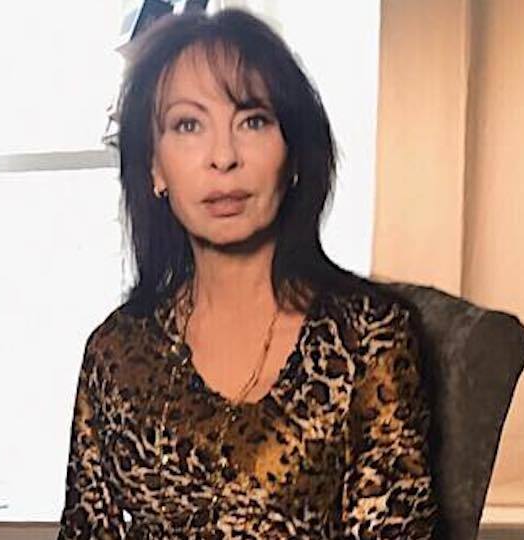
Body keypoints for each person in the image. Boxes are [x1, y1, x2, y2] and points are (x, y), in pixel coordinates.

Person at [58, 8, 437, 539]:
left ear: (294, 154)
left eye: (252, 121)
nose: (223, 157)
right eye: (188, 125)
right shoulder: (115, 352)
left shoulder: (368, 338)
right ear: (154, 167)